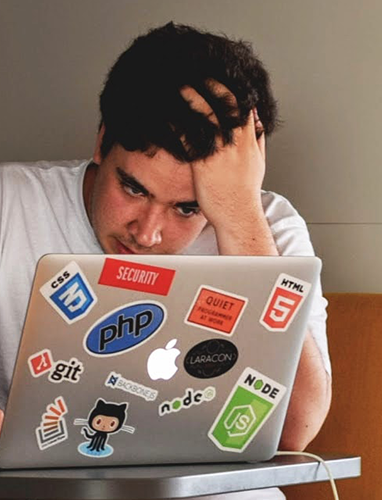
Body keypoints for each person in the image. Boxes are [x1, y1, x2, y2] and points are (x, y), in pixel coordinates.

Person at [0, 22, 331, 499]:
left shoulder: (269, 226)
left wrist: (238, 217)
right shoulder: (11, 205)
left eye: (188, 207)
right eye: (133, 188)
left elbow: (294, 430)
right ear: (101, 141)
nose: (148, 233)